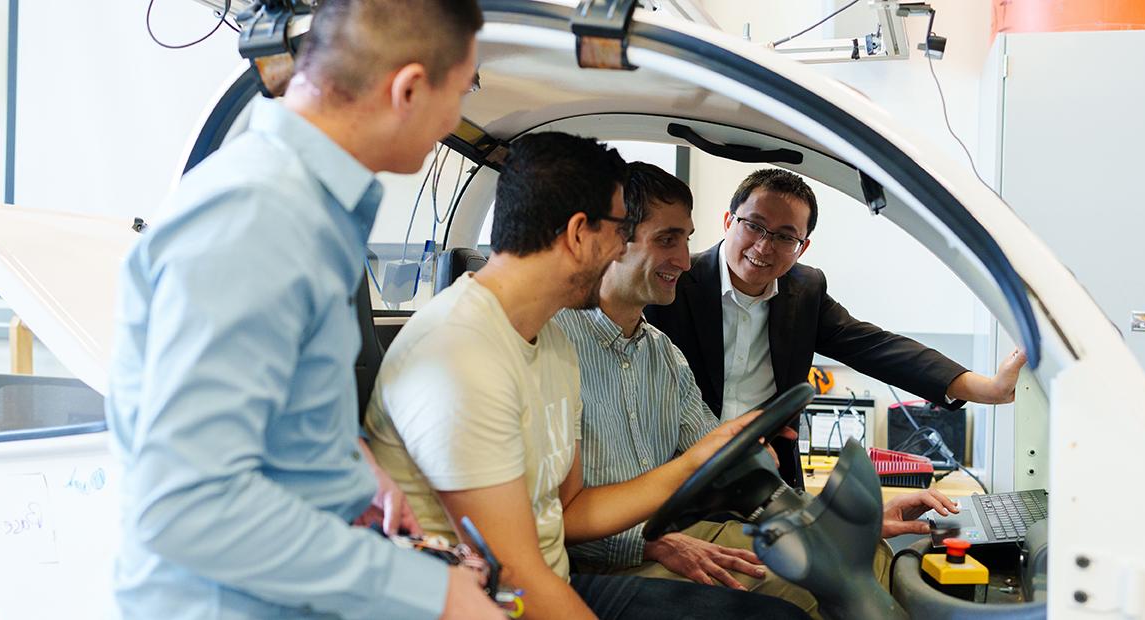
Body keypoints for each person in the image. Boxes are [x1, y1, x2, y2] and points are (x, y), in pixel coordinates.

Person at [104, 1, 501, 618]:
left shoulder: (306, 211)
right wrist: (427, 591)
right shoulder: (258, 218)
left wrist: (342, 471)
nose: (458, 117)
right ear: (410, 88)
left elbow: (275, 405)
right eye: (461, 90)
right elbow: (187, 504)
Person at [365, 133, 807, 619]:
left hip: (546, 578)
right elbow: (513, 575)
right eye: (620, 231)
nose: (621, 249)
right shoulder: (460, 356)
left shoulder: (549, 341)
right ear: (579, 234)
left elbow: (570, 509)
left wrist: (703, 455)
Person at [556, 162, 959, 616]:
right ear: (608, 240)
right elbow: (553, 515)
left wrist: (837, 521)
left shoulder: (663, 356)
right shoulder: (554, 345)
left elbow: (726, 463)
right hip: (600, 560)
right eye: (667, 240)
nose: (686, 261)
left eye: (686, 241)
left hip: (669, 533)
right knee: (804, 595)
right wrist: (653, 543)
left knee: (858, 556)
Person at [643, 168, 1026, 488]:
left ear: (801, 247)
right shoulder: (672, 281)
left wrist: (987, 389)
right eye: (754, 226)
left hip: (767, 477)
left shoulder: (804, 290)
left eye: (784, 236)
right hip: (677, 475)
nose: (763, 247)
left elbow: (875, 347)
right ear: (728, 222)